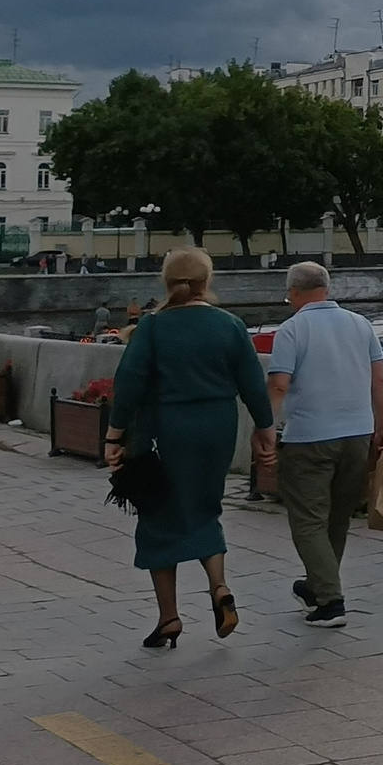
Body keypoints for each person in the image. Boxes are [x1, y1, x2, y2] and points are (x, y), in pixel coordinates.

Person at [103, 248, 277, 649]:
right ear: (206, 281)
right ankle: (219, 588)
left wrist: (115, 437)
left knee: (158, 515)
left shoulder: (153, 327)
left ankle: (169, 618)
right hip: (217, 429)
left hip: (164, 431)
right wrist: (265, 429)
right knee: (204, 506)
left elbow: (129, 382)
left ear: (167, 282)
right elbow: (253, 382)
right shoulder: (230, 325)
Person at [264, 262, 383, 629]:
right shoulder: (360, 325)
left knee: (307, 520)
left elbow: (279, 385)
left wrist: (266, 429)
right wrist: (382, 426)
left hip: (310, 437)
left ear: (294, 292)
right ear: (326, 287)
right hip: (357, 434)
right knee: (337, 518)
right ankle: (317, 587)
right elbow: (379, 380)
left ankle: (331, 601)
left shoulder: (292, 329)